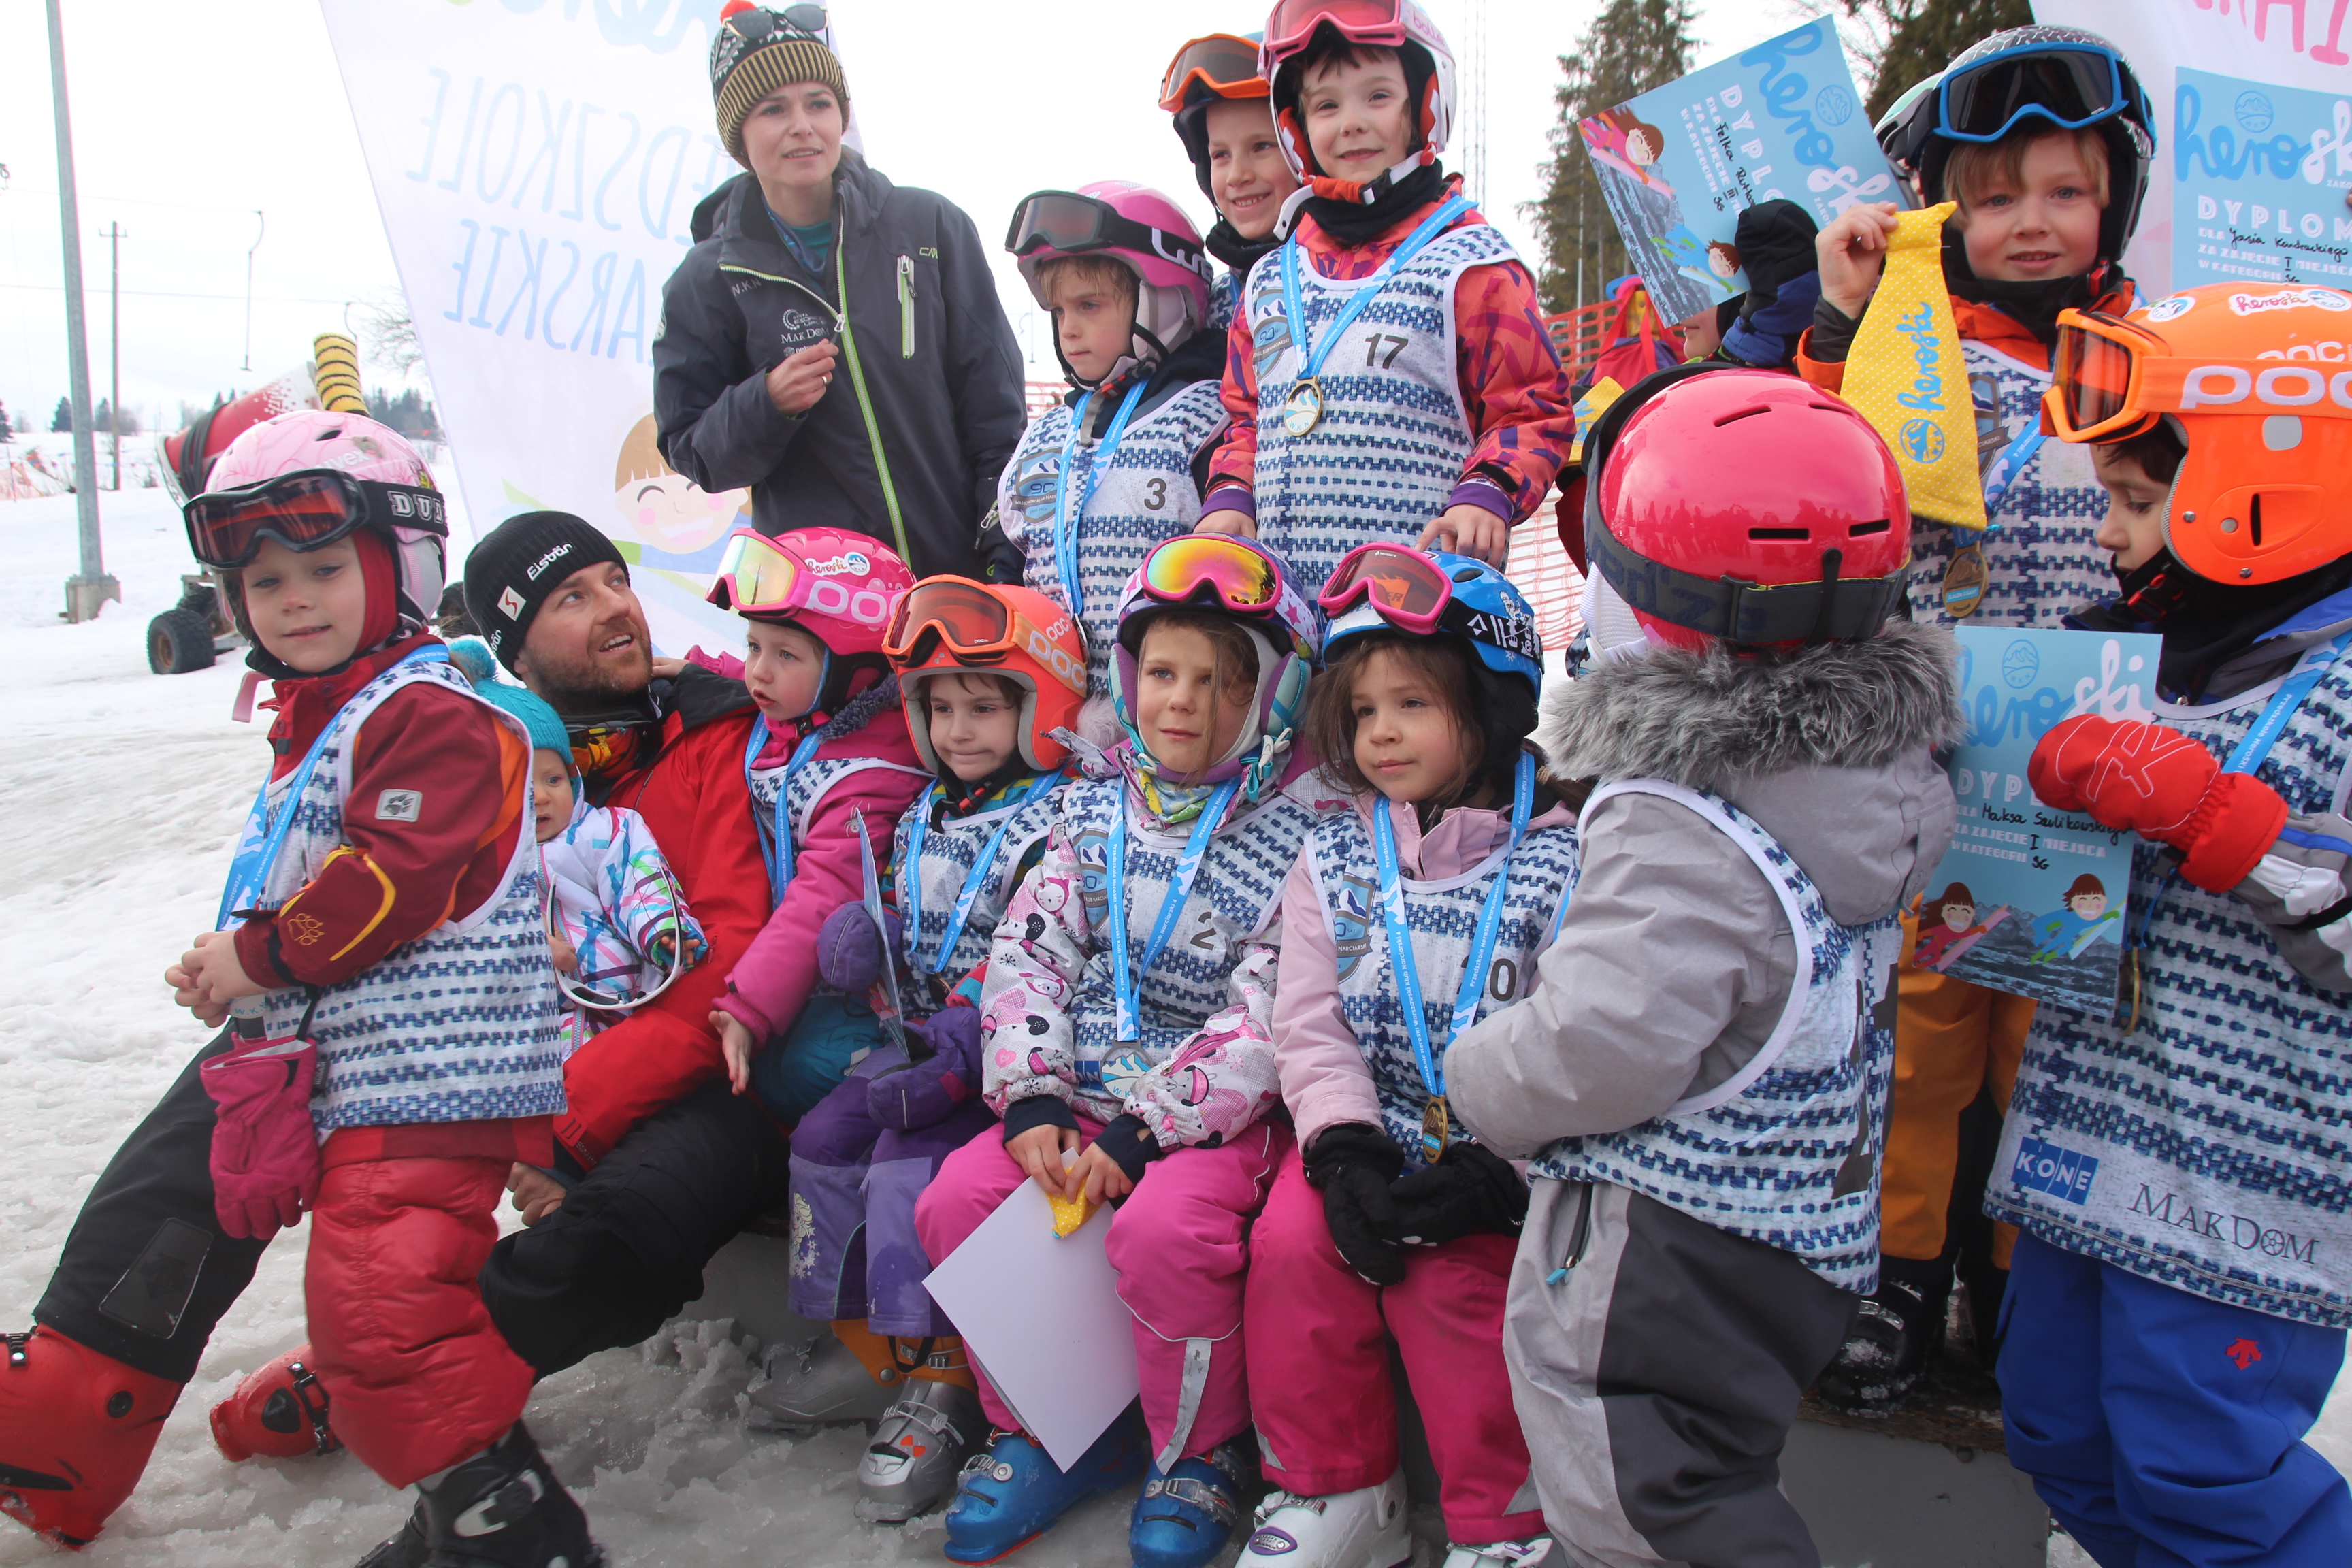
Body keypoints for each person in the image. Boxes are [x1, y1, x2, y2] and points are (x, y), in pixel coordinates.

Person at [32, 408, 590, 1565]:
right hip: (371, 1080)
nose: (294, 601)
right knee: (386, 1317)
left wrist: (260, 956)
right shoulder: (338, 716)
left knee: (384, 1320)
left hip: (433, 1080)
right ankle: (462, 1516)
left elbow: (393, 879)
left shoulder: (431, 713)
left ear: (402, 565)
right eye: (265, 581)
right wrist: (238, 962)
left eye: (326, 568)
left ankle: (516, 1535)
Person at [1446, 368, 1959, 1567]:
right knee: (1712, 1469)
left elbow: (1602, 1044)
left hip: (1665, 1248)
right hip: (1799, 1223)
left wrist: (1479, 1075)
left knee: (1645, 1500)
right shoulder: (1877, 773)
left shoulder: (1683, 812)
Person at [1798, 24, 2157, 1407]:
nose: (2031, 223)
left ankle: (2016, 1286)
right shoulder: (1915, 346)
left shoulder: (2151, 357)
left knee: (2049, 1042)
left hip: (2089, 775)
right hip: (1937, 763)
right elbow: (1827, 466)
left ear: (2116, 201)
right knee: (1924, 1041)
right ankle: (1897, 1275)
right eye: (1996, 197)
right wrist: (1846, 322)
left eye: (2065, 192)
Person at [1994, 280, 2352, 1566]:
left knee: (2204, 1478)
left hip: (2248, 1179)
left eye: (2138, 501)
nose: (2108, 534)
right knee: (2057, 1434)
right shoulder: (2138, 653)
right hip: (2088, 1146)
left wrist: (2223, 818)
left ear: (2266, 496)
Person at [914, 534, 1328, 1568]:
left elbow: (1267, 1014)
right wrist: (1032, 1101)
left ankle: (1200, 1450)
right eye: (1163, 673)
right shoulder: (1093, 810)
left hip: (1209, 1122)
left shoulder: (1304, 834)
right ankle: (1046, 1430)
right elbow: (1031, 953)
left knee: (1165, 1232)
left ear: (1274, 699)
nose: (1179, 702)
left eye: (1218, 682)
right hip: (1081, 1098)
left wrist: (1148, 1132)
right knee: (959, 1200)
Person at [1239, 545, 1571, 1568]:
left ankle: (1504, 1523)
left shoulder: (1569, 856)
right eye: (1362, 710)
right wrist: (1342, 1146)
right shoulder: (1334, 852)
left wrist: (1499, 1167)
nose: (1379, 733)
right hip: (1370, 1131)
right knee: (1295, 1245)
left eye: (1413, 704)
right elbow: (1309, 1021)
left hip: (1507, 1158)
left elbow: (1581, 1041)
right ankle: (1336, 1487)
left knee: (1451, 1285)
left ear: (1494, 704)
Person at [752, 577, 1085, 1528]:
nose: (958, 730)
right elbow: (908, 909)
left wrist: (960, 1037)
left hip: (995, 1051)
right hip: (911, 1042)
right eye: (939, 709)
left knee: (908, 1168)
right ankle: (869, 1347)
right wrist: (874, 938)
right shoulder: (929, 809)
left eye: (985, 707)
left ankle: (944, 1379)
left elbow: (1035, 949)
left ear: (1040, 707)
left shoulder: (1054, 819)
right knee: (822, 1139)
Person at [1194, 0, 1574, 591]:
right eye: (1327, 105)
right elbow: (1247, 418)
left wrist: (1487, 492)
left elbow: (1530, 407)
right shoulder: (1270, 279)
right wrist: (1231, 494)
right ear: (1296, 127)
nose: (1350, 122)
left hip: (1413, 605)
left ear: (1424, 105)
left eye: (1377, 96)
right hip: (1284, 601)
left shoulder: (1470, 264)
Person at [654, 1, 1027, 581]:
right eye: (774, 109)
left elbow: (995, 413)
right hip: (818, 599)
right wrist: (766, 403)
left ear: (841, 116)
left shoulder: (930, 226)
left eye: (819, 103)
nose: (802, 125)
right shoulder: (707, 279)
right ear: (737, 137)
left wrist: (1004, 551)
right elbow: (692, 451)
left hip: (953, 580)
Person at [695, 526, 930, 1125]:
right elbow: (756, 677)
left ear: (856, 673)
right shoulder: (806, 712)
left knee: (801, 1068)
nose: (758, 673)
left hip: (861, 986)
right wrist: (697, 671)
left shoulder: (869, 775)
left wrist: (749, 1005)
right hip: (797, 964)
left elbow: (823, 892)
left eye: (785, 656)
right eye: (753, 646)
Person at [998, 184, 1230, 696]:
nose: (1069, 330)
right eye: (1060, 311)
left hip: (1167, 708)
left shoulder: (1204, 419)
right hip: (1053, 706)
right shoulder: (1045, 436)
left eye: (1090, 306)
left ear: (1163, 302)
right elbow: (1010, 561)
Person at [1159, 31, 1303, 321]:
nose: (1237, 176)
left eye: (1261, 147)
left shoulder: (1351, 279)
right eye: (1221, 155)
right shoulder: (1206, 308)